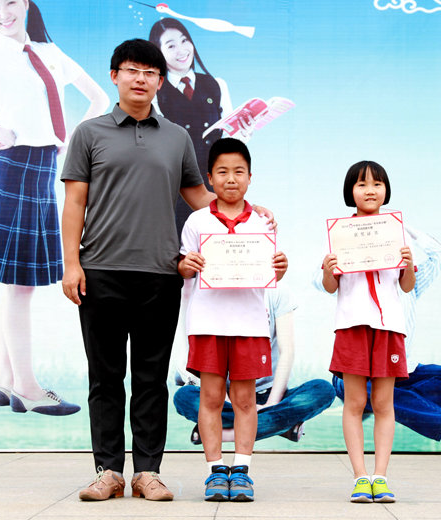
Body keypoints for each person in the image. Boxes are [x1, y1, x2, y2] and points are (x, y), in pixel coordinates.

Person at [60, 41, 273, 502]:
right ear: (114, 75)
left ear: (161, 81)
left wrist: (249, 216)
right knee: (105, 377)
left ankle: (147, 472)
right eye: (131, 70)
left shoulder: (176, 137)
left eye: (150, 72)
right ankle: (107, 471)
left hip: (161, 274)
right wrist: (71, 264)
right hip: (100, 270)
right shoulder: (89, 133)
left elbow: (200, 198)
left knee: (151, 378)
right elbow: (74, 200)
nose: (141, 79)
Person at [0, 0, 109, 415]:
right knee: (20, 286)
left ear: (26, 3)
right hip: (14, 167)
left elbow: (98, 96)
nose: (2, 12)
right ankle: (27, 387)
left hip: (43, 167)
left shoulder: (49, 52)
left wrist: (72, 139)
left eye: (10, 2)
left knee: (17, 286)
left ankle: (6, 379)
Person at [177, 138, 288, 502]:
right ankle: (214, 471)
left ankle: (241, 470)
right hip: (207, 324)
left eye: (239, 171)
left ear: (250, 177)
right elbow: (183, 268)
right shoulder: (197, 221)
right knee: (209, 399)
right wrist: (187, 265)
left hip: (250, 325)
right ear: (209, 178)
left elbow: (270, 272)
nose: (231, 179)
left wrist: (280, 267)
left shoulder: (263, 221)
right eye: (222, 172)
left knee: (244, 401)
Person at [327, 225, 441, 441]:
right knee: (347, 387)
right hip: (357, 374)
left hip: (401, 372)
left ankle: (392, 404)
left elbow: (440, 254)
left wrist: (400, 225)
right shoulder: (356, 281)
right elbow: (322, 280)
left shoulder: (409, 285)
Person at [321, 161, 414, 504]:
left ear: (386, 190)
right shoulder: (340, 233)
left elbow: (407, 286)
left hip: (388, 327)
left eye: (377, 184)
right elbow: (330, 286)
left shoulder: (397, 232)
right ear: (351, 192)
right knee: (355, 402)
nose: (370, 190)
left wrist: (408, 264)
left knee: (383, 403)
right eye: (361, 184)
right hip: (352, 324)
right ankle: (360, 477)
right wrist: (329, 269)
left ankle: (381, 477)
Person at [172, 286, 336, 445]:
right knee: (184, 397)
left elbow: (287, 352)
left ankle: (222, 433)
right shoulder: (213, 293)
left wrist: (271, 404)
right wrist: (234, 406)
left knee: (322, 390)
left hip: (272, 393)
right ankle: (282, 426)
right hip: (226, 397)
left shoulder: (277, 292)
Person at [148, 18, 252, 237]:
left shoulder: (216, 84)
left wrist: (244, 132)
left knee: (217, 244)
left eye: (184, 40)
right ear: (158, 53)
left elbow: (228, 143)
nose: (182, 50)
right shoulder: (155, 93)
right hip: (175, 189)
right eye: (171, 45)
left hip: (214, 184)